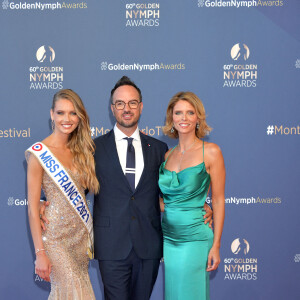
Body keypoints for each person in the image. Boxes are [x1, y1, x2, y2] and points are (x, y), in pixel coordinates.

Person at [93, 76, 213, 300]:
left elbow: (173, 192)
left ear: (141, 106)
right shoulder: (94, 148)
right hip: (111, 246)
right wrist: (44, 200)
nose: (126, 108)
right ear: (112, 108)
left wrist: (200, 206)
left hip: (148, 246)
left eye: (132, 103)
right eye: (120, 103)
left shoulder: (160, 149)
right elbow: (76, 185)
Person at [26, 89, 99, 299]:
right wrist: (40, 253)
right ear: (51, 114)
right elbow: (32, 208)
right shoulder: (39, 154)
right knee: (73, 290)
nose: (67, 119)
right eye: (61, 113)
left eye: (73, 113)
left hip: (80, 238)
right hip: (55, 237)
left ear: (80, 116)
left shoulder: (83, 151)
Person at [159, 91, 225, 300]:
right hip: (169, 239)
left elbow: (218, 199)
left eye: (190, 113)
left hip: (196, 237)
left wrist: (216, 245)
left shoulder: (211, 152)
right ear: (171, 118)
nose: (184, 118)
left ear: (198, 118)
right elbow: (165, 202)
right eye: (178, 113)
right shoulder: (167, 155)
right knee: (174, 294)